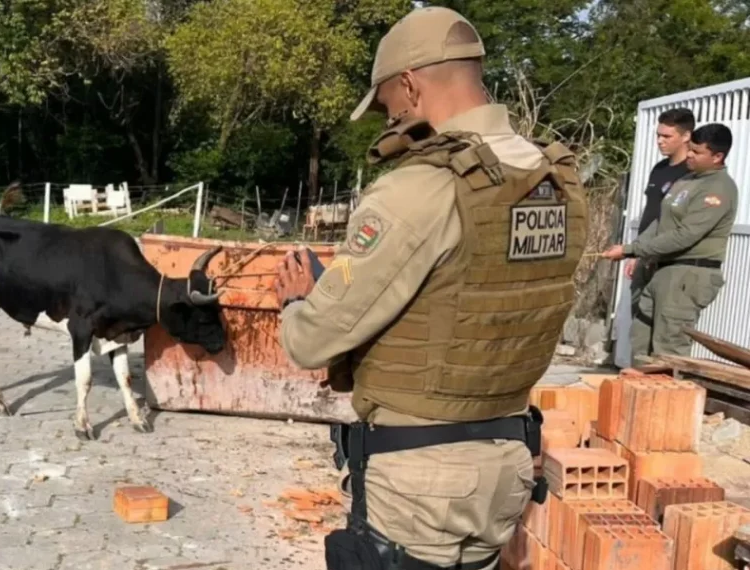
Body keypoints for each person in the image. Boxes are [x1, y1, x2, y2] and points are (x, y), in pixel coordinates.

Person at [273, 6, 588, 570]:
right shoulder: (553, 178)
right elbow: (467, 292)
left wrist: (299, 303)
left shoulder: (420, 188)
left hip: (419, 483)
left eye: (389, 107)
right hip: (507, 464)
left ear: (411, 85)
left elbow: (311, 342)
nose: (391, 122)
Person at [603, 123, 738, 366]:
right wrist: (634, 247)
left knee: (669, 346)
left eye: (697, 152)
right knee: (641, 338)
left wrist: (631, 250)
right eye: (690, 149)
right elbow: (661, 221)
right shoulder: (687, 179)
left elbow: (684, 236)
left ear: (718, 156)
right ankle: (640, 394)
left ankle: (668, 401)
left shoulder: (719, 188)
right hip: (661, 270)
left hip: (687, 274)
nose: (689, 155)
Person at [620, 109, 694, 365]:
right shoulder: (659, 169)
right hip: (645, 256)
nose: (660, 141)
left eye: (667, 136)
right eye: (658, 135)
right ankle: (638, 382)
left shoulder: (693, 175)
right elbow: (651, 215)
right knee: (640, 327)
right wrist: (636, 253)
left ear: (686, 136)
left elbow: (680, 226)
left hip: (671, 262)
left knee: (667, 334)